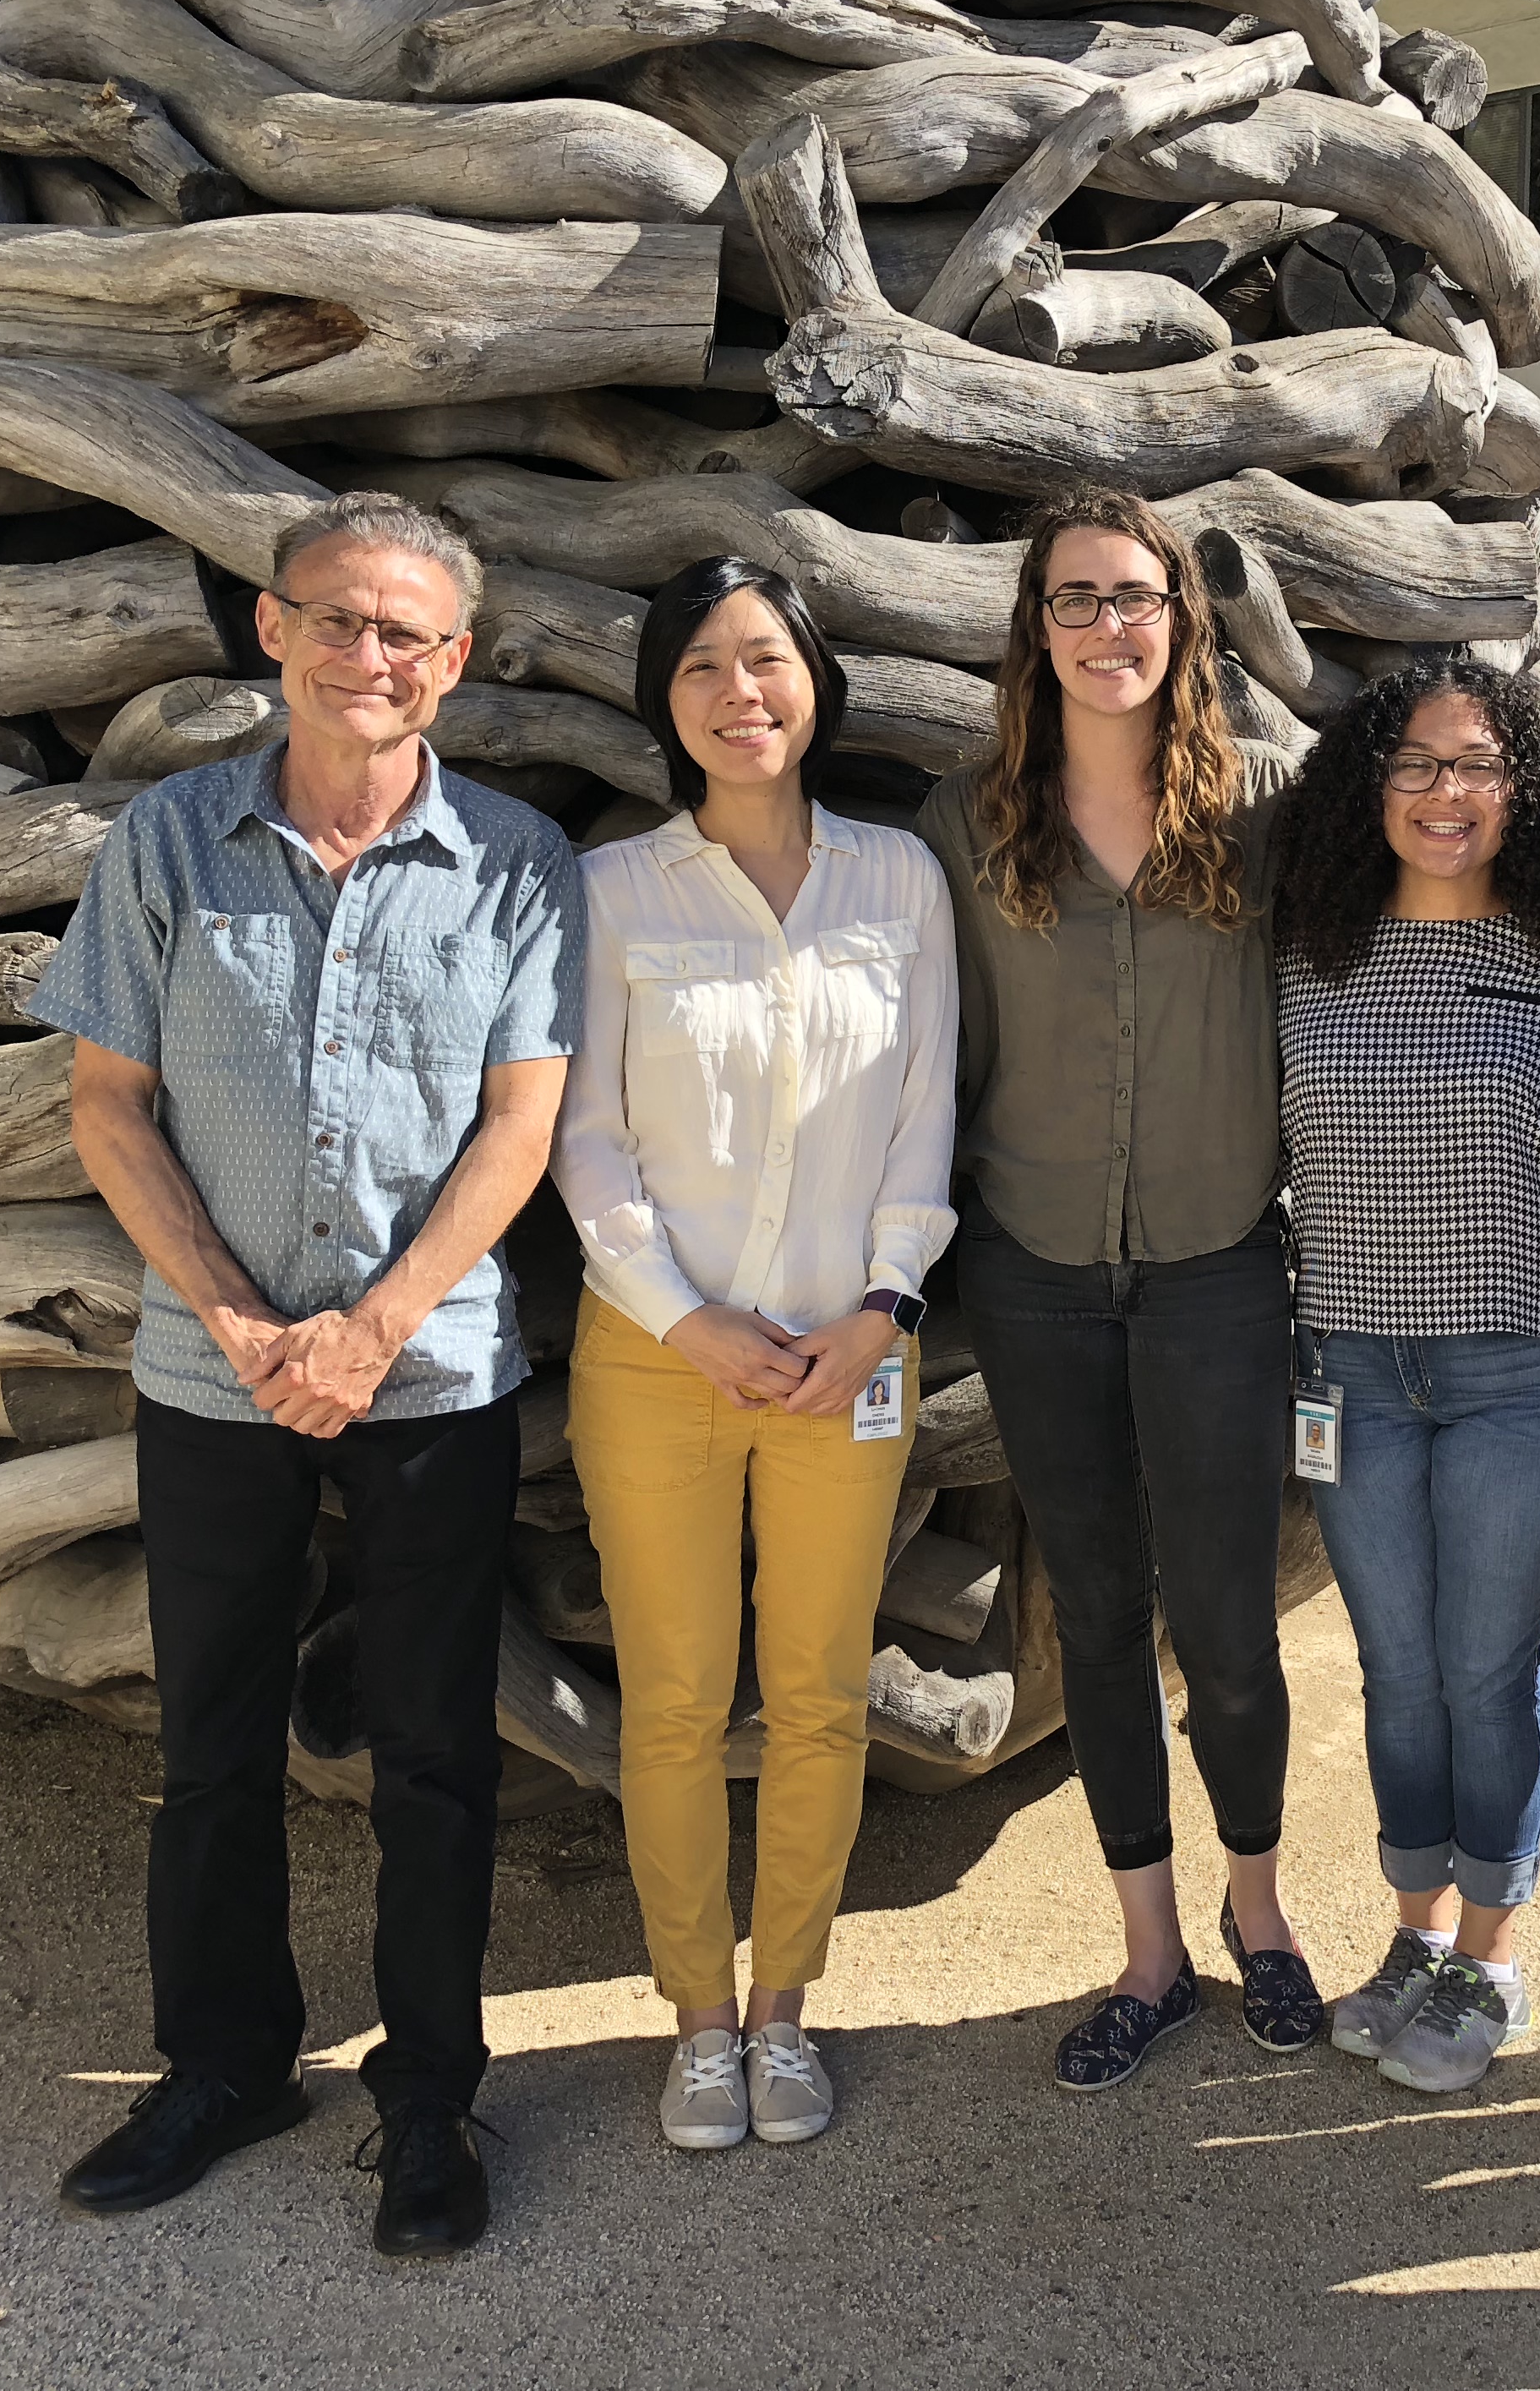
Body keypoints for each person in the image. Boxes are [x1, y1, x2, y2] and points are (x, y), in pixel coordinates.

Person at [40, 496, 582, 2257]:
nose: (373, 658)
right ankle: (224, 2067)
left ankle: (429, 2097)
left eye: (409, 635)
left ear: (458, 665)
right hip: (211, 1381)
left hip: (431, 1378)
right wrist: (244, 1323)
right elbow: (108, 1105)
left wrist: (367, 1328)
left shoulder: (514, 865)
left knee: (433, 1752)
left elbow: (519, 1134)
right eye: (340, 621)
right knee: (210, 1747)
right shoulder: (171, 843)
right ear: (273, 631)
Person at [912, 489, 1323, 2088]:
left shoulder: (1271, 811)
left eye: (1134, 598)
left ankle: (1262, 1915)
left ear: (1183, 620)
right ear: (1036, 630)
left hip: (1224, 1271)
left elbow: (1442, 885)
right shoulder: (967, 824)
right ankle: (1147, 1950)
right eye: (1074, 600)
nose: (1106, 628)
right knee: (1092, 1614)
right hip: (1039, 1279)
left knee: (1227, 1618)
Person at [552, 557, 955, 2154]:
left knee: (817, 1695)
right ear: (667, 700)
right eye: (706, 666)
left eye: (769, 661)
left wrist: (881, 1308)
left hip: (852, 1354)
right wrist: (687, 1318)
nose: (742, 693)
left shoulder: (898, 883)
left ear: (816, 685)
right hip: (660, 1361)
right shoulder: (613, 890)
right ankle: (696, 2024)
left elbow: (927, 1114)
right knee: (669, 1700)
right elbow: (582, 1136)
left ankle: (786, 2012)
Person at [1266, 657, 1540, 2095]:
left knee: (1487, 1669)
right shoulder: (1312, 953)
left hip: (1527, 1370)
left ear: (1522, 787)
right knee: (1396, 1671)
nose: (1445, 792)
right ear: (1371, 788)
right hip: (1349, 1366)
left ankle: (1489, 1954)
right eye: (1415, 765)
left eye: (1477, 763)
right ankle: (1414, 1936)